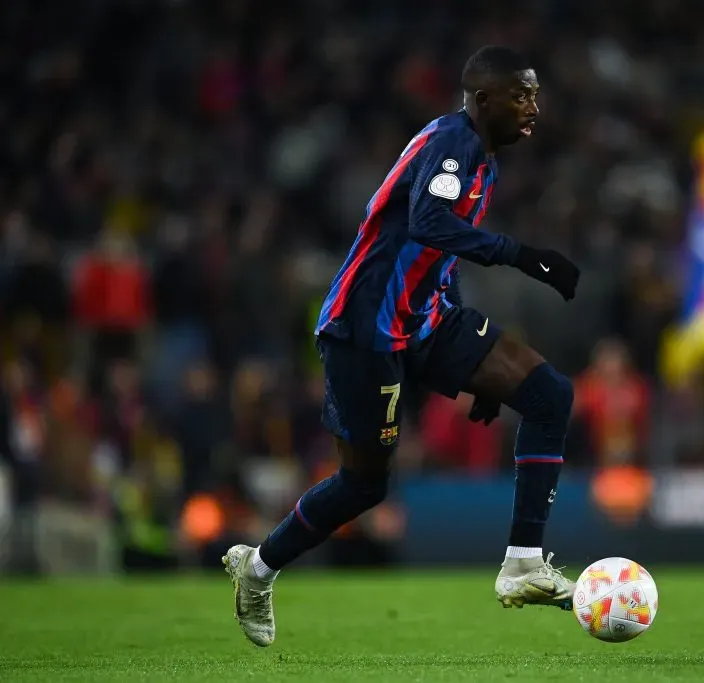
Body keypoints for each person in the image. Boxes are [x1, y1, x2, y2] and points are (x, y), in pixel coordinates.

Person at [222, 45, 581, 647]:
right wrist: (524, 257)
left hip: (429, 318)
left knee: (547, 394)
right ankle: (257, 569)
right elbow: (429, 224)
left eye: (536, 95)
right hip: (365, 329)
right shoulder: (453, 143)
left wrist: (476, 371)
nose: (534, 108)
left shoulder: (482, 160)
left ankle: (523, 560)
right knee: (365, 484)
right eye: (522, 95)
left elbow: (438, 253)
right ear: (483, 99)